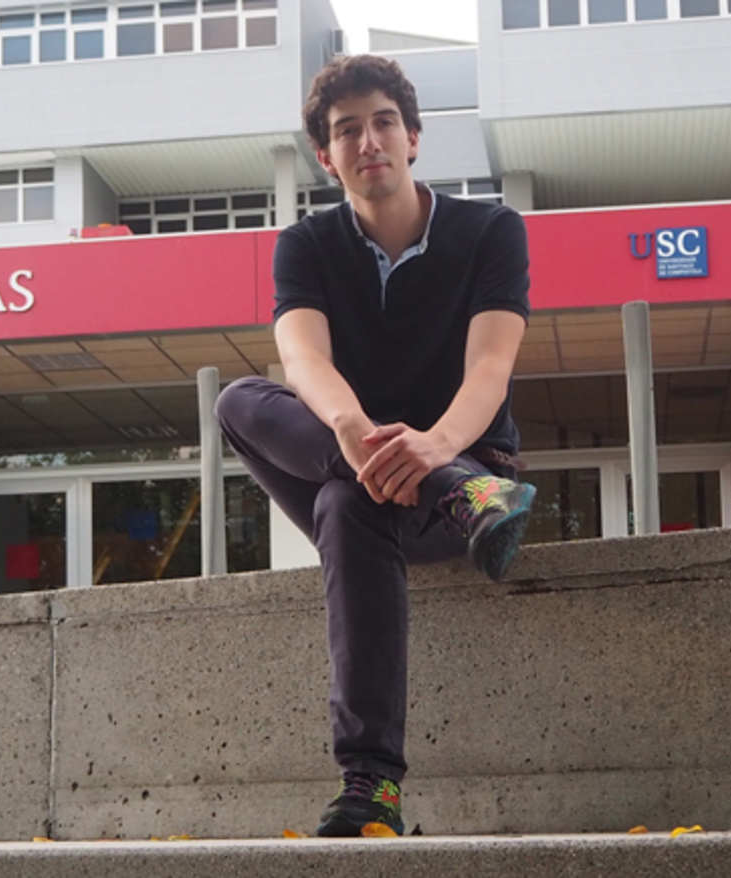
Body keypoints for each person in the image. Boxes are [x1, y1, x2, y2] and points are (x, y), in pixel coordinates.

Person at [214, 54, 536, 838]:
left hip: (473, 469)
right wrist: (357, 437)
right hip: (405, 482)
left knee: (344, 504)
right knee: (241, 402)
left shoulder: (490, 231)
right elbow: (303, 362)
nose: (368, 141)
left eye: (384, 122)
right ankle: (451, 493)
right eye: (346, 130)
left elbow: (491, 367)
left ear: (414, 137)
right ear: (325, 156)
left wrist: (438, 450)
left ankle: (371, 785)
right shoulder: (305, 246)